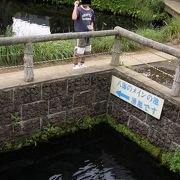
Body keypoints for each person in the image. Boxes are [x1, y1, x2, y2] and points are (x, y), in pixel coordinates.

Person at [72, 0, 95, 69]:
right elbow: (74, 18)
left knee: (86, 50)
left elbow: (92, 21)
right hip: (80, 34)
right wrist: (75, 6)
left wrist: (92, 28)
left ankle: (82, 63)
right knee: (78, 50)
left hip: (88, 34)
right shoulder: (78, 9)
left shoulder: (91, 11)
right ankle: (75, 65)